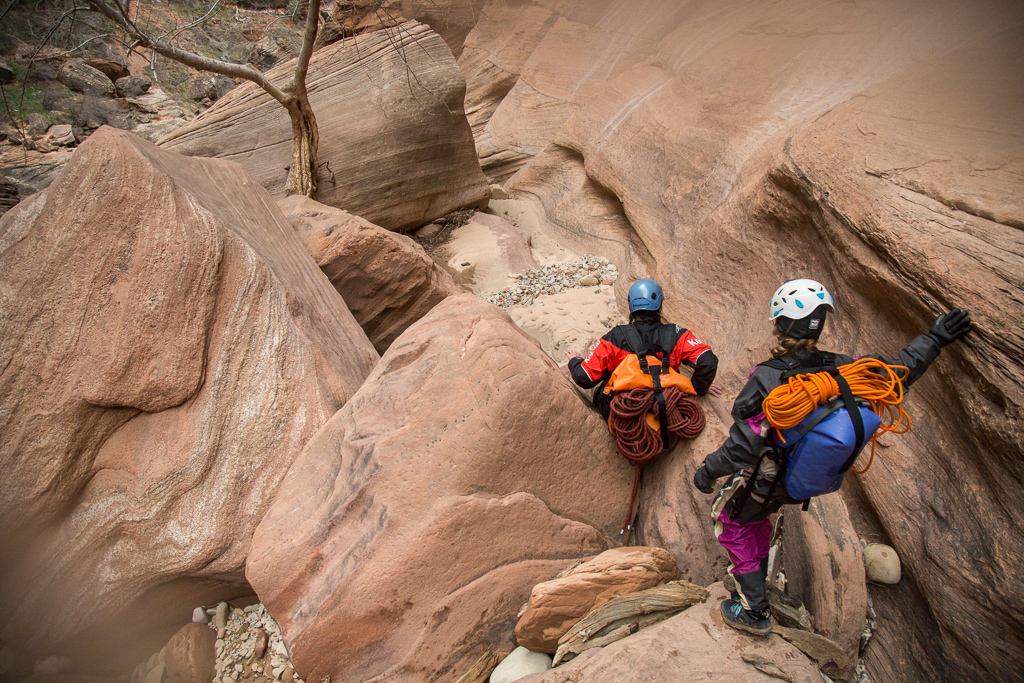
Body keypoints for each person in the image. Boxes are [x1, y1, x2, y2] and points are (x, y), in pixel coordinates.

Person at [692, 278, 972, 635]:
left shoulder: (768, 377)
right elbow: (897, 373)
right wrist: (934, 340)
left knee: (730, 521)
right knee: (754, 517)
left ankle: (754, 611)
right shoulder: (845, 367)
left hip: (769, 475)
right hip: (801, 478)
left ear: (779, 325)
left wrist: (708, 470)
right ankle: (757, 581)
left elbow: (745, 444)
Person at [565, 279, 722, 416]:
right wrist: (698, 387)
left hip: (626, 408)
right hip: (666, 403)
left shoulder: (615, 337)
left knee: (603, 385)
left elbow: (584, 377)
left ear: (631, 306)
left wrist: (575, 361)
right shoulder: (678, 334)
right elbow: (707, 361)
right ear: (659, 306)